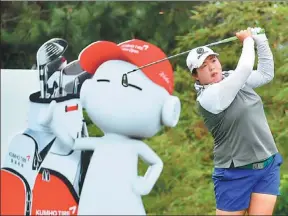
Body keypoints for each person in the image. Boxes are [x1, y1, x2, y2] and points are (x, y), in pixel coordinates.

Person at [186, 27, 283, 215]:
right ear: (196, 76)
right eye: (203, 66)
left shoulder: (232, 78)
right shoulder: (208, 97)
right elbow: (245, 68)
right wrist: (247, 40)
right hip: (234, 173)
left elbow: (265, 74)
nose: (212, 67)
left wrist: (261, 39)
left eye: (213, 60)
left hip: (266, 164)